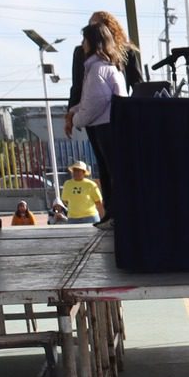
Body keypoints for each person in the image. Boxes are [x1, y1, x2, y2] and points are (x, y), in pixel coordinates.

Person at [68, 22, 128, 225]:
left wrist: (77, 119)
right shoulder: (108, 66)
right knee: (112, 170)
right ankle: (114, 213)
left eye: (85, 40)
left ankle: (116, 213)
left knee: (111, 170)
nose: (82, 45)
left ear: (93, 42)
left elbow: (95, 102)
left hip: (105, 126)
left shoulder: (97, 70)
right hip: (113, 124)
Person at [65, 10, 143, 123]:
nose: (91, 30)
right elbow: (77, 85)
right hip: (93, 114)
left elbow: (137, 84)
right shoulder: (81, 52)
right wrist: (71, 114)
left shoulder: (126, 51)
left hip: (115, 114)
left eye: (95, 26)